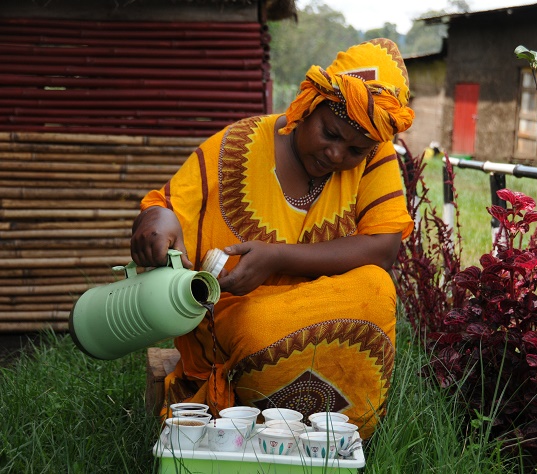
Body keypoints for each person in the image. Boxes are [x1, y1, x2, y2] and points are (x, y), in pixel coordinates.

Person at [130, 38, 414, 438]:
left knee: (377, 287)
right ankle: (283, 419)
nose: (337, 154)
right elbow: (170, 207)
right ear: (307, 104)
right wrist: (155, 221)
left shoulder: (374, 154)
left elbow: (383, 246)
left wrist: (278, 259)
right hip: (236, 318)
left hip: (322, 303)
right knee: (260, 326)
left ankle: (347, 430)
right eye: (330, 133)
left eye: (354, 149)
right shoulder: (238, 145)